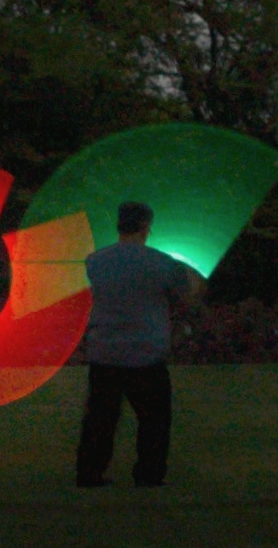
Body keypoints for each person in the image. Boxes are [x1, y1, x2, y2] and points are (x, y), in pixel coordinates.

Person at [77, 201, 203, 488]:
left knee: (100, 419)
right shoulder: (162, 263)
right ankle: (149, 474)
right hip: (146, 353)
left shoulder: (96, 261)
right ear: (146, 227)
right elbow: (186, 295)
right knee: (154, 420)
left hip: (105, 350)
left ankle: (90, 472)